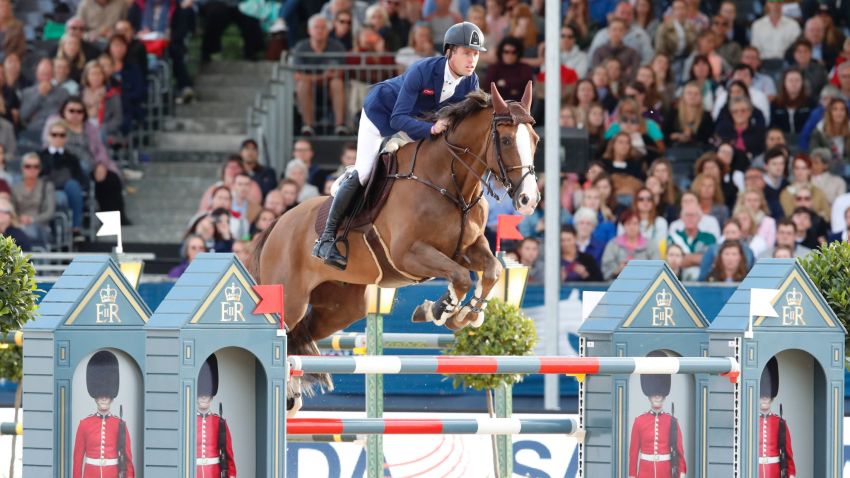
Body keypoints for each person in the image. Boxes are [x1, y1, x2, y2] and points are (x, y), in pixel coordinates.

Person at [313, 21, 485, 270]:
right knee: (364, 172)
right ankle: (326, 239)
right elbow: (397, 118)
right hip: (382, 115)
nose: (472, 60)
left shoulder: (471, 82)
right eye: (467, 53)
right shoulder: (423, 71)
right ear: (450, 52)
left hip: (416, 125)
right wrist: (431, 129)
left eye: (476, 54)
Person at [72, 350, 134, 478]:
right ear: (95, 397)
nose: (104, 398)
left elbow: (128, 460)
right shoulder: (84, 424)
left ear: (112, 398)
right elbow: (77, 460)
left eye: (107, 395)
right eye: (100, 395)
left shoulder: (120, 424)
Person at [291, 15, 348, 136]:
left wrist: (313, 78)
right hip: (308, 88)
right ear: (309, 30)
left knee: (337, 82)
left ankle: (340, 126)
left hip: (330, 87)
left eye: (323, 27)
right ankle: (308, 126)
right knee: (303, 84)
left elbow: (339, 72)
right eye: (316, 27)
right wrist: (323, 77)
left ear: (328, 30)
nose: (319, 30)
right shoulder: (300, 47)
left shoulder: (337, 47)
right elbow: (298, 76)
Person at [628, 361, 687, 478]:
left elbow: (679, 451)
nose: (657, 396)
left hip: (666, 472)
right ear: (649, 396)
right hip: (645, 473)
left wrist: (681, 474)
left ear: (664, 396)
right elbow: (633, 453)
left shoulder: (672, 421)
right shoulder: (639, 421)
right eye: (654, 393)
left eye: (660, 393)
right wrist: (632, 475)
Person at [39, 120, 87, 240]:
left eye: (62, 135)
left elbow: (80, 178)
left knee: (72, 186)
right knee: (59, 196)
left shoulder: (72, 158)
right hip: (47, 190)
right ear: (48, 136)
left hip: (67, 189)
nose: (58, 138)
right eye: (54, 134)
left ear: (66, 138)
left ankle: (76, 228)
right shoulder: (40, 156)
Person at [195, 355, 236, 478]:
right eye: (200, 394)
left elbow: (228, 453)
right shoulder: (188, 421)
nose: (203, 397)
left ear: (211, 396)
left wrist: (232, 475)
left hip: (214, 473)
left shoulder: (219, 422)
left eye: (206, 394)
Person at [758, 357, 796, 478]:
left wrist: (791, 474)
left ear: (772, 398)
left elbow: (788, 452)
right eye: (762, 396)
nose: (764, 398)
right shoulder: (749, 421)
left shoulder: (780, 422)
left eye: (767, 396)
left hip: (774, 472)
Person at [20, 59, 70, 146]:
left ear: (53, 75)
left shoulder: (63, 92)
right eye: (43, 74)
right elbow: (23, 116)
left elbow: (66, 113)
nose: (46, 78)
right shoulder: (27, 92)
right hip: (35, 130)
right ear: (37, 75)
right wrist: (39, 95)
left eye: (48, 75)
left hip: (56, 131)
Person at [602, 209, 660, 280]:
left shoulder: (650, 245)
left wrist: (640, 270)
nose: (632, 227)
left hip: (645, 284)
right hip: (617, 284)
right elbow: (606, 268)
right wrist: (619, 269)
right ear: (623, 226)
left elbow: (656, 267)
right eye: (628, 224)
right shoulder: (613, 244)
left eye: (635, 223)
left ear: (639, 225)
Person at [12, 153, 54, 247]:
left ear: (39, 169)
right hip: (19, 225)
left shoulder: (47, 186)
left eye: (36, 166)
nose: (32, 169)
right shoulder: (15, 187)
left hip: (41, 226)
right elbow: (12, 209)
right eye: (28, 166)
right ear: (22, 168)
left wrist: (32, 219)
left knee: (30, 231)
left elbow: (50, 212)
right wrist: (19, 219)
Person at [668, 203, 716, 280]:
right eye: (687, 215)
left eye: (693, 215)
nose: (690, 218)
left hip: (703, 281)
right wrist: (699, 258)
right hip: (678, 280)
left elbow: (712, 261)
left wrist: (685, 257)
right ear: (681, 218)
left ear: (700, 218)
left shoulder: (709, 238)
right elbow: (671, 261)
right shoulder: (674, 237)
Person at [81, 60, 122, 142]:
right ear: (87, 76)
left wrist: (102, 128)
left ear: (103, 76)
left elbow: (118, 119)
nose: (96, 77)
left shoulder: (112, 95)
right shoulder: (79, 95)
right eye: (93, 74)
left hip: (104, 131)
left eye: (99, 74)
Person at [779, 156, 830, 220]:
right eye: (797, 168)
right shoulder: (786, 193)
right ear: (793, 170)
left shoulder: (818, 192)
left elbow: (827, 215)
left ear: (809, 170)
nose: (800, 172)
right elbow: (788, 215)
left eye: (804, 168)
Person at [485, 37, 533, 102]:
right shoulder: (494, 67)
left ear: (518, 53)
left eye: (514, 52)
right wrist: (514, 88)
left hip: (520, 105)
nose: (510, 55)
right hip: (498, 105)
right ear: (501, 52)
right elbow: (489, 88)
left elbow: (527, 85)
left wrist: (504, 83)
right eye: (506, 52)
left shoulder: (525, 68)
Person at [770, 68, 813, 135]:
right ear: (784, 83)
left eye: (797, 80)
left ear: (802, 83)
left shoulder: (811, 103)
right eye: (790, 80)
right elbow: (772, 126)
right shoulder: (775, 104)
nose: (794, 83)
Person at [809, 99, 850, 167]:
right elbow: (813, 154)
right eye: (835, 109)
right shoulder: (818, 132)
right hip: (826, 169)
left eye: (842, 109)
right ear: (829, 113)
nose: (839, 113)